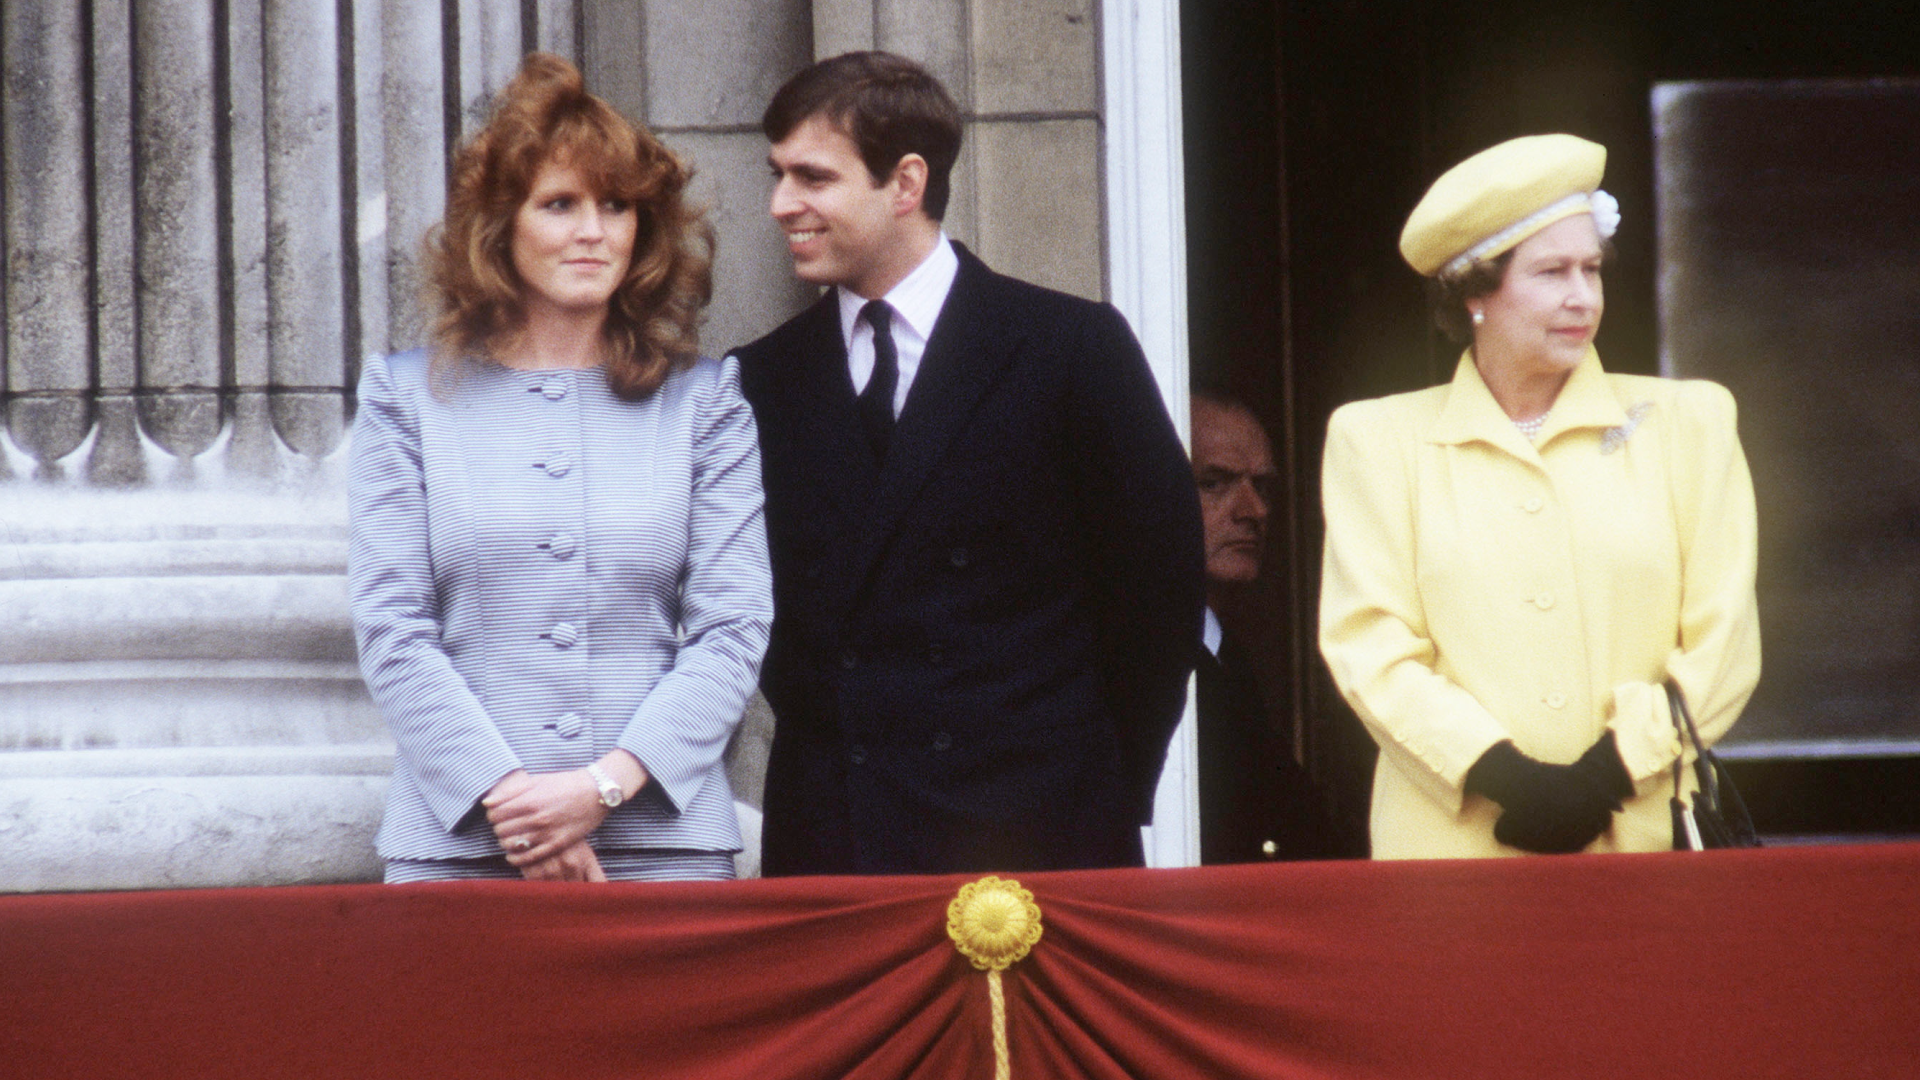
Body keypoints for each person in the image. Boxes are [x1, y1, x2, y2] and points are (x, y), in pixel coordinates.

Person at [732, 51, 1205, 875]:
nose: (782, 205)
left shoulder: (1068, 348)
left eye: (812, 177)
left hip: (1037, 835)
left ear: (905, 183)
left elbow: (1158, 595)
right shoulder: (760, 378)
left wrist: (1095, 791)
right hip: (835, 844)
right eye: (778, 176)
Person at [348, 53, 771, 883]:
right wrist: (515, 802)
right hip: (462, 846)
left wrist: (601, 788)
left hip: (662, 848)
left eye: (617, 206)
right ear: (500, 226)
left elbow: (732, 629)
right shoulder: (406, 399)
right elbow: (392, 629)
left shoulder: (705, 403)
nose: (593, 231)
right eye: (560, 204)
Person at [1318, 134, 1760, 859]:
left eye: (1592, 269)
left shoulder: (1690, 423)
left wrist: (1606, 774)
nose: (1582, 297)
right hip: (1452, 859)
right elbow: (1370, 648)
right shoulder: (1377, 441)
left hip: (1642, 841)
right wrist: (1505, 775)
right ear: (1473, 291)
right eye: (1552, 271)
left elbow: (1724, 643)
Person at [1190, 389, 1332, 862]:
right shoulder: (1114, 657)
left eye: (1263, 487)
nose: (1255, 511)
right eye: (1215, 483)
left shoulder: (1225, 655)